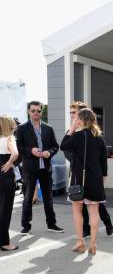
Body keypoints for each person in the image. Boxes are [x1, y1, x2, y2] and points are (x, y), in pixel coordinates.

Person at [61, 108, 108, 255]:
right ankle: (93, 242)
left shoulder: (78, 135)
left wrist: (72, 128)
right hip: (95, 179)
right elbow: (104, 163)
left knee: (77, 210)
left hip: (78, 179)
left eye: (77, 119)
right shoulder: (99, 138)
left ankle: (80, 242)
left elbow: (63, 146)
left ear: (81, 120)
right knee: (93, 211)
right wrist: (103, 179)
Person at [66, 102, 113, 237]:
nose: (72, 116)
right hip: (77, 173)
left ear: (82, 115)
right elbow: (67, 152)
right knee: (82, 204)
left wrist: (102, 175)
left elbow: (102, 157)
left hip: (91, 174)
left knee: (96, 205)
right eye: (71, 113)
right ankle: (86, 232)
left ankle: (107, 222)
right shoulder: (73, 132)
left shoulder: (94, 135)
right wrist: (78, 162)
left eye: (74, 113)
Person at [16, 101, 64, 235]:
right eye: (33, 111)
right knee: (28, 197)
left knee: (48, 198)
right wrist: (30, 150)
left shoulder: (49, 128)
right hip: (30, 169)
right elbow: (18, 147)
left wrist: (49, 152)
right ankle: (26, 226)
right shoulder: (22, 128)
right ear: (28, 112)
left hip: (45, 168)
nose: (36, 113)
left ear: (41, 111)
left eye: (38, 110)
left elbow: (55, 146)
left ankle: (52, 224)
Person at [0, 116, 19, 251]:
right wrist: (9, 163)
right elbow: (15, 153)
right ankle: (5, 243)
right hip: (6, 177)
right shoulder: (9, 138)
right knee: (5, 211)